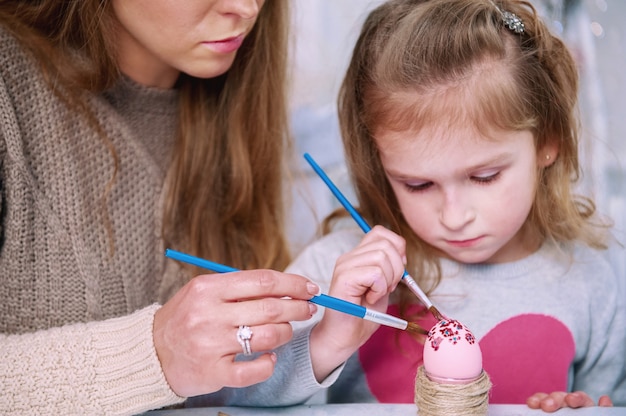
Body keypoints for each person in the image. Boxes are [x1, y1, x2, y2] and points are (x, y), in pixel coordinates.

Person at [274, 0, 626, 412]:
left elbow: (612, 400)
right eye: (418, 184)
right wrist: (327, 341)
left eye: (484, 177)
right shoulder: (338, 274)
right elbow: (233, 393)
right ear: (379, 163)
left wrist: (586, 407)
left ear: (547, 141)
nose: (454, 217)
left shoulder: (596, 278)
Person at [0, 1, 332, 414]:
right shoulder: (9, 91)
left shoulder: (235, 102)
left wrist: (318, 346)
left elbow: (223, 384)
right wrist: (152, 355)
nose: (247, 8)